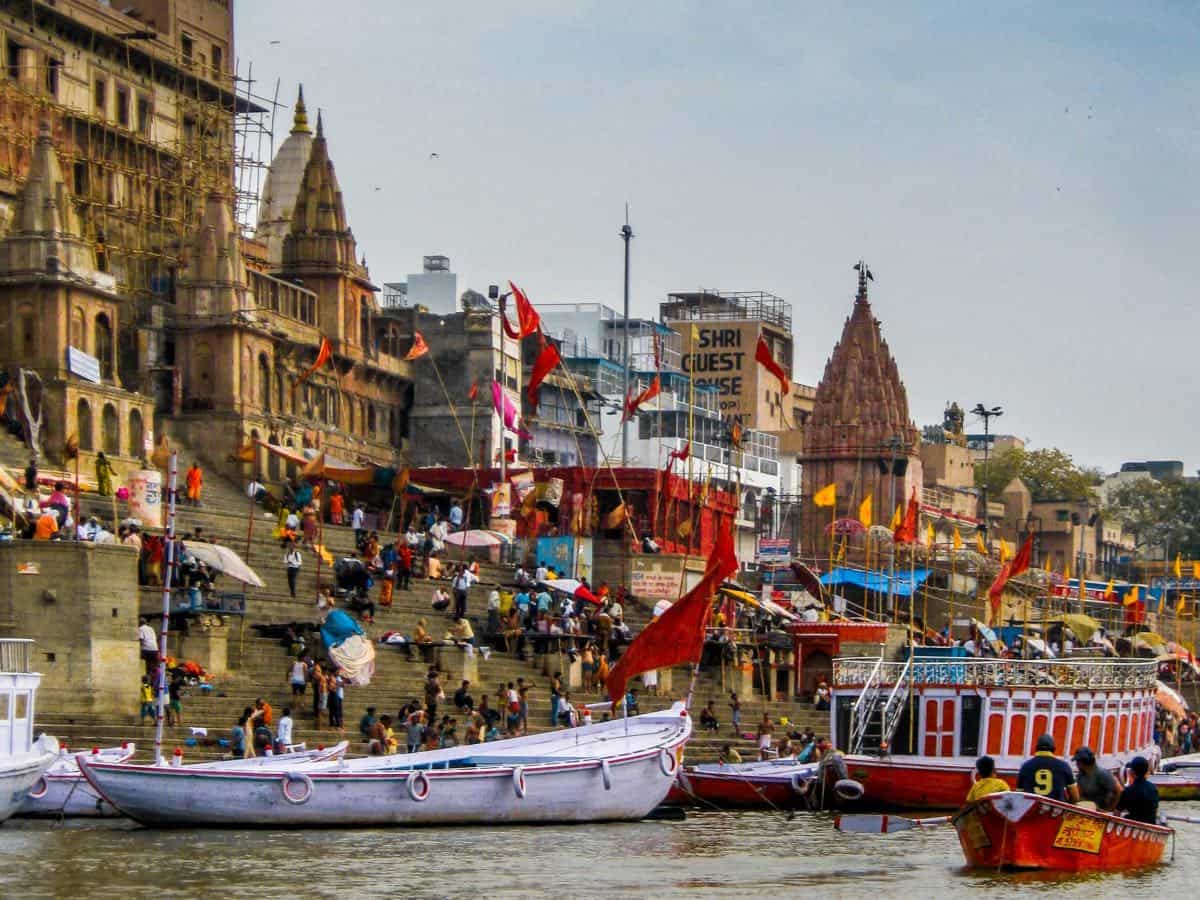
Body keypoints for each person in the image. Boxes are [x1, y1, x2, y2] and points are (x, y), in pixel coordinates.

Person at [1016, 734, 1079, 802]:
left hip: (1032, 810)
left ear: (1036, 748)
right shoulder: (1064, 766)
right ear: (1054, 749)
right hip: (1057, 810)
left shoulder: (1025, 767)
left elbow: (1019, 796)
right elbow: (1075, 797)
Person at [1073, 746, 1119, 810]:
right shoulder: (1081, 775)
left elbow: (1119, 791)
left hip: (1101, 810)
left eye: (1077, 762)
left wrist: (1110, 809)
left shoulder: (1102, 774)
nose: (1076, 764)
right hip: (1087, 808)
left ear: (1081, 762)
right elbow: (1080, 793)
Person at [1116, 756, 1160, 824]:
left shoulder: (1128, 791)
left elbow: (1117, 813)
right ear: (1146, 771)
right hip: (1151, 824)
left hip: (1133, 826)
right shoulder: (1154, 788)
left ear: (1132, 772)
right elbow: (1155, 810)